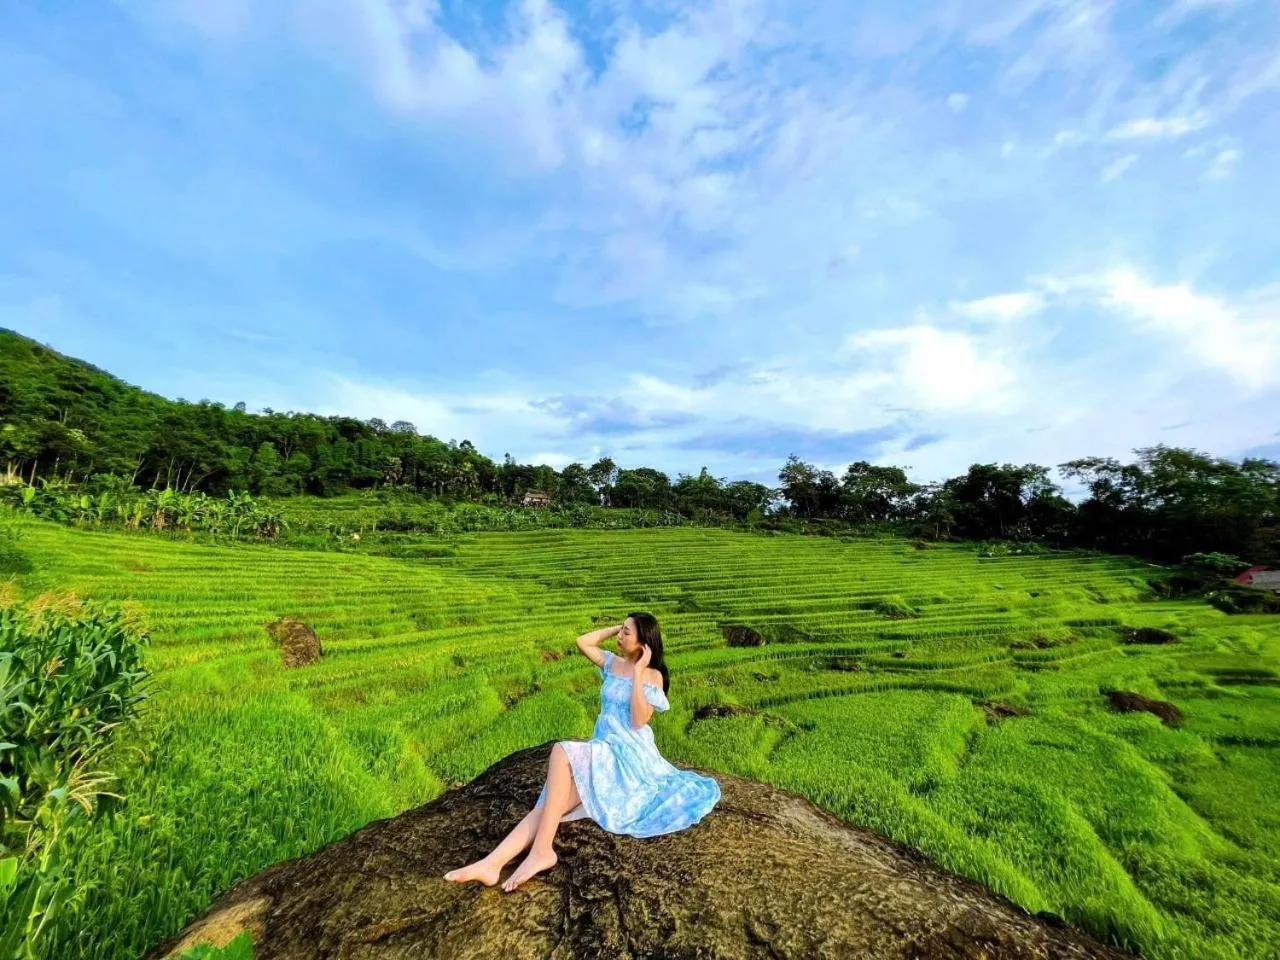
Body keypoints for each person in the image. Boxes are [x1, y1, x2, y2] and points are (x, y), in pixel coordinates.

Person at [444, 612, 721, 892]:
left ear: (644, 641)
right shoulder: (613, 664)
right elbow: (583, 642)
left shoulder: (652, 676)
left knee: (561, 751)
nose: (620, 636)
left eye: (627, 633)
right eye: (621, 630)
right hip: (603, 747)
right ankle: (493, 863)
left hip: (627, 753)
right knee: (551, 805)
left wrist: (637, 673)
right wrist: (616, 627)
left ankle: (540, 851)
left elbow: (639, 720)